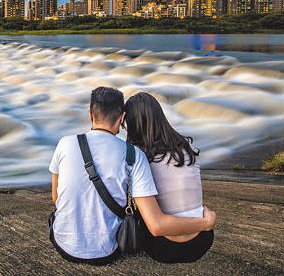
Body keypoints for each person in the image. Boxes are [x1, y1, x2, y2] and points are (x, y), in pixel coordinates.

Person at [49, 87, 216, 265]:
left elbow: (56, 197)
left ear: (90, 114)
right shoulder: (164, 151)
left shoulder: (64, 143)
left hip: (63, 243)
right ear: (121, 117)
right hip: (200, 240)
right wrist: (206, 223)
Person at [124, 92, 213, 263]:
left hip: (164, 248)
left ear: (133, 124)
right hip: (203, 240)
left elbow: (156, 227)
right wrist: (206, 222)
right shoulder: (187, 147)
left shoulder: (138, 157)